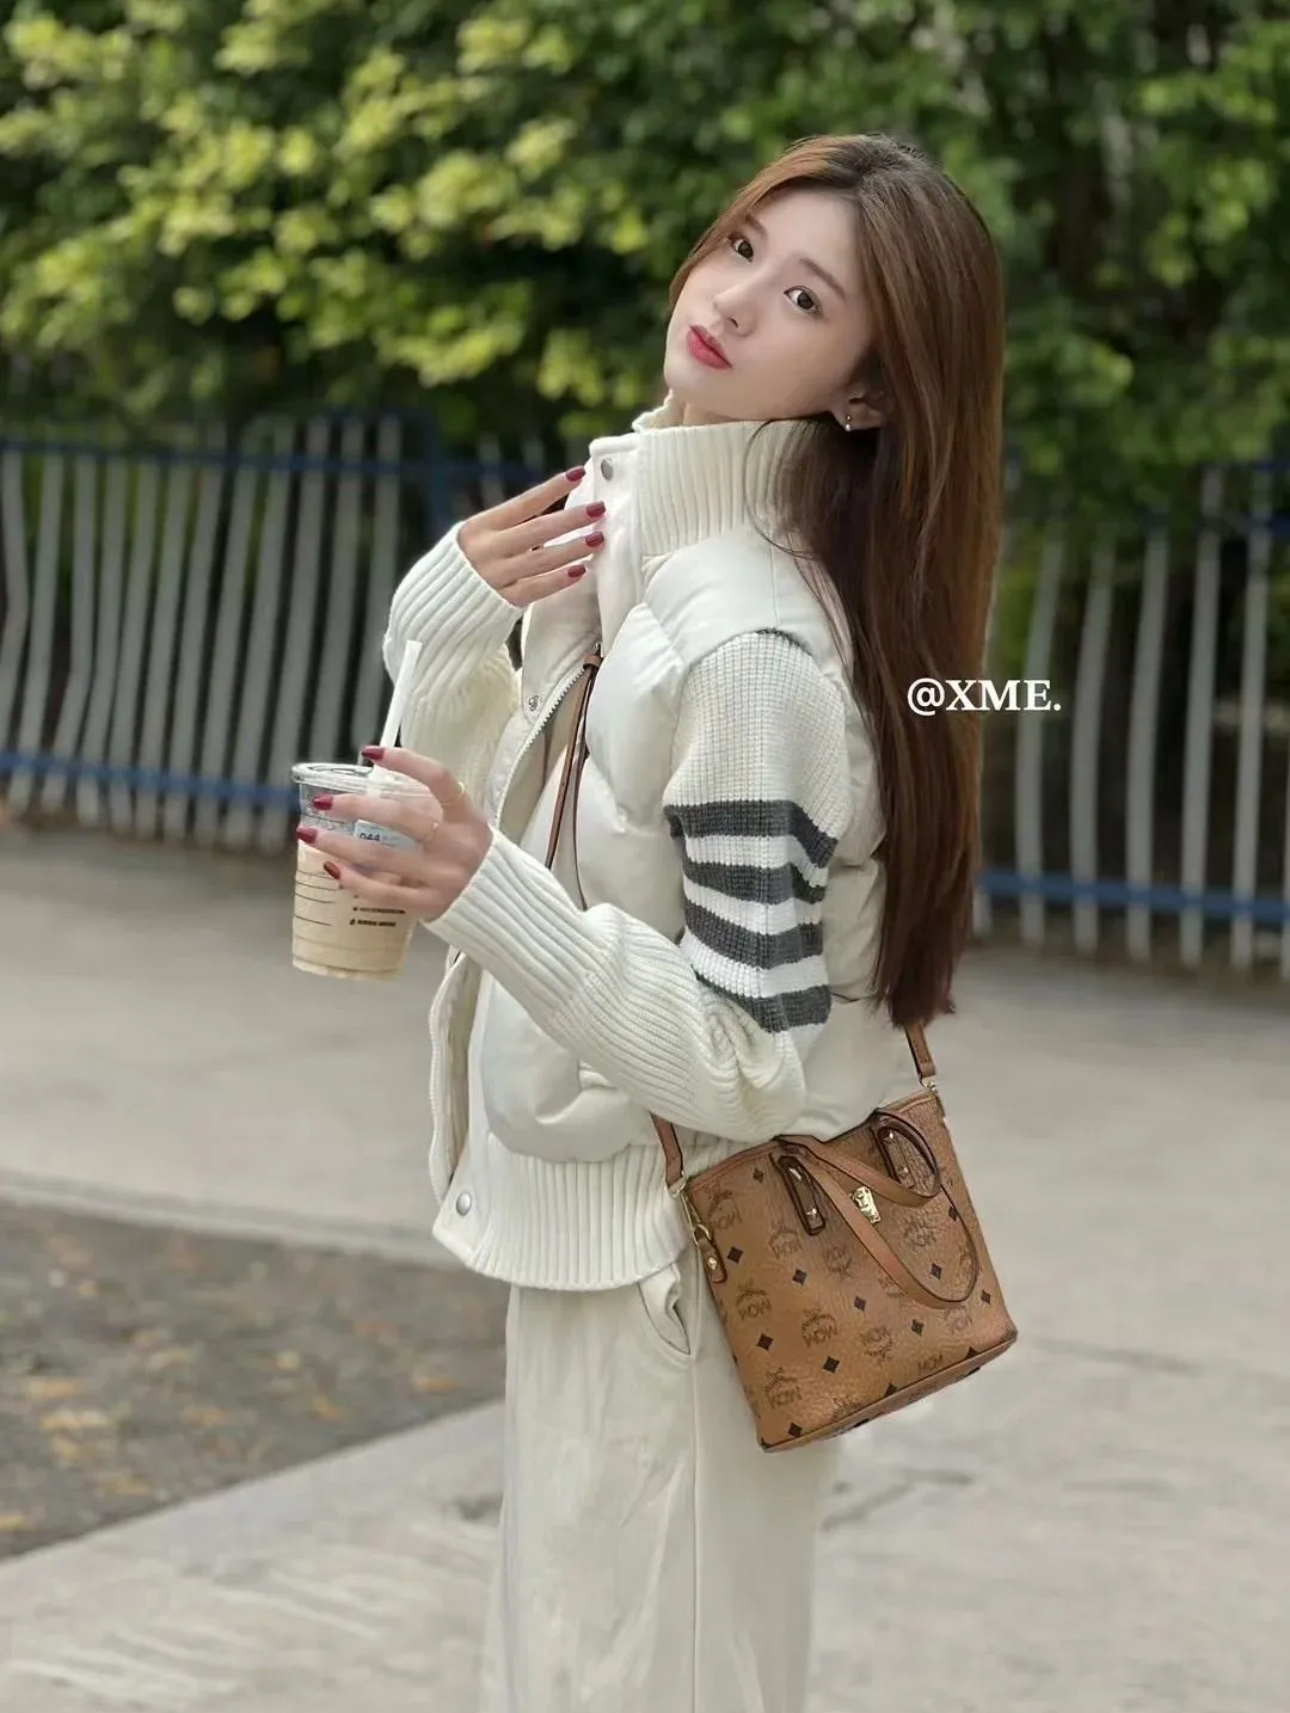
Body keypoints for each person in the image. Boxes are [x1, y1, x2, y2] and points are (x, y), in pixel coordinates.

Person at [301, 132, 1005, 1713]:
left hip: (684, 1269)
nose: (735, 298)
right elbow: (474, 828)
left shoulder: (745, 645)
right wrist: (445, 620)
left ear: (866, 391)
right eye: (744, 246)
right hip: (607, 1235)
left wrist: (481, 889)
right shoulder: (633, 557)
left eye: (806, 297)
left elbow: (745, 1055)